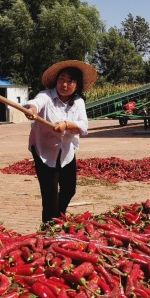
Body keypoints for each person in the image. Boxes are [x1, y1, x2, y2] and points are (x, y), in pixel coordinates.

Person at [23, 60, 97, 225]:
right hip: (44, 150)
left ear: (76, 85)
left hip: (66, 151)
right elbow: (36, 103)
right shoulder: (46, 96)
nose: (64, 84)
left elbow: (84, 126)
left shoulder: (78, 102)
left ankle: (58, 218)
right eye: (61, 79)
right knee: (50, 193)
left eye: (69, 81)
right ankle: (49, 229)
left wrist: (67, 125)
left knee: (69, 189)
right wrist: (32, 110)